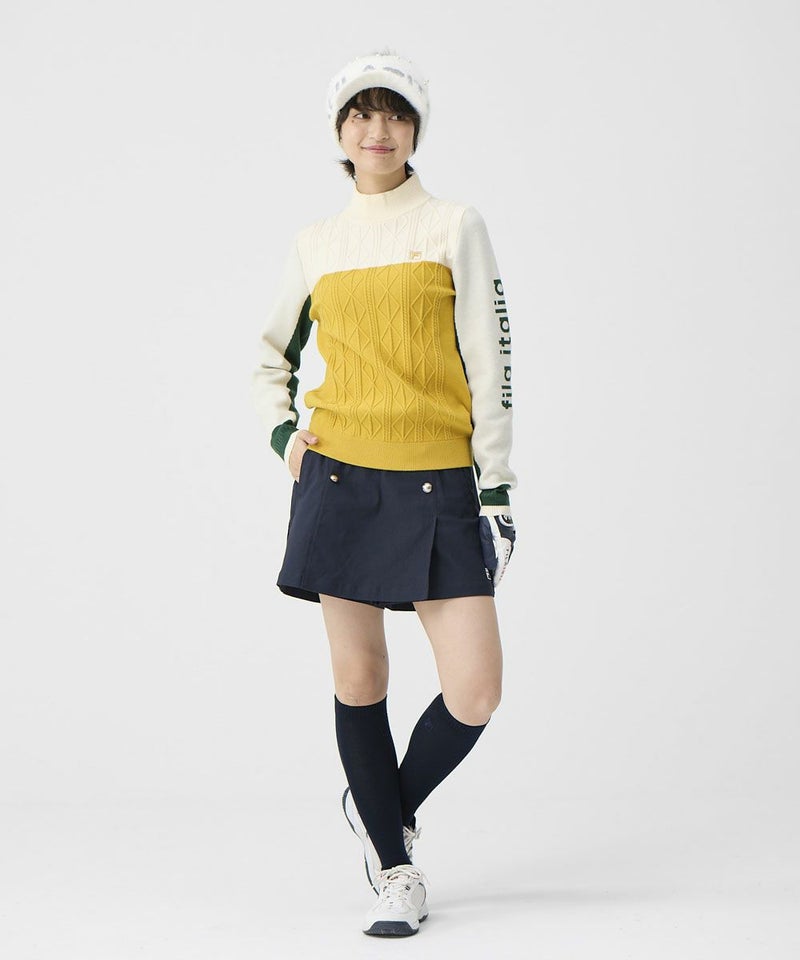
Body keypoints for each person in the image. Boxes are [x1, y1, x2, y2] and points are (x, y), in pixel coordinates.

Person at [251, 50, 518, 937]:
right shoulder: (316, 244)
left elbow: (491, 361)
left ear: (415, 130)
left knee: (475, 690)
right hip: (340, 478)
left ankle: (378, 808)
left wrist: (497, 490)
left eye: (395, 113)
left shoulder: (454, 225)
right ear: (340, 132)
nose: (378, 129)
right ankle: (396, 869)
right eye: (361, 114)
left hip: (439, 480)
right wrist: (286, 436)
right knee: (360, 675)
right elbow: (270, 356)